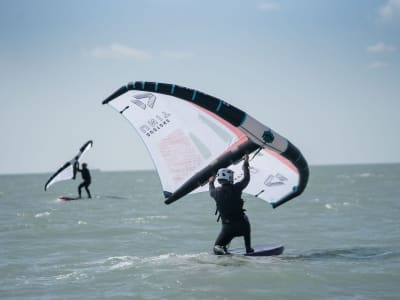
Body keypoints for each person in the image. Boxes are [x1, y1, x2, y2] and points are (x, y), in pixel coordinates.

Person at [208, 154, 254, 255]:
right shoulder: (236, 188)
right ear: (230, 178)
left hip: (228, 228)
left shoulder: (215, 193)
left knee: (216, 247)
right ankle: (248, 248)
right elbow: (246, 178)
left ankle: (222, 249)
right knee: (245, 219)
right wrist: (245, 163)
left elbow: (211, 189)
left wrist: (211, 182)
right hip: (242, 226)